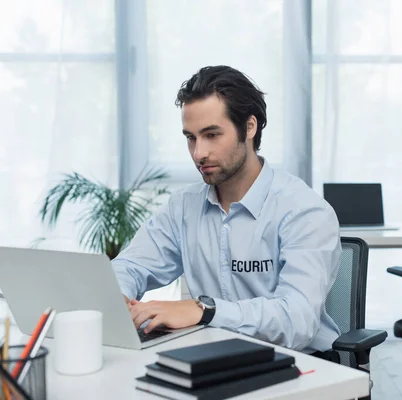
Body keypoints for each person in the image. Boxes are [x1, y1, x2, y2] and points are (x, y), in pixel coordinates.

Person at [111, 65, 342, 357]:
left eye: (211, 135)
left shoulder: (304, 211)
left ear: (249, 127)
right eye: (191, 137)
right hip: (216, 359)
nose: (198, 153)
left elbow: (297, 320)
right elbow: (132, 266)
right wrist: (116, 296)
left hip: (300, 364)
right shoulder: (184, 206)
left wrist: (204, 311)